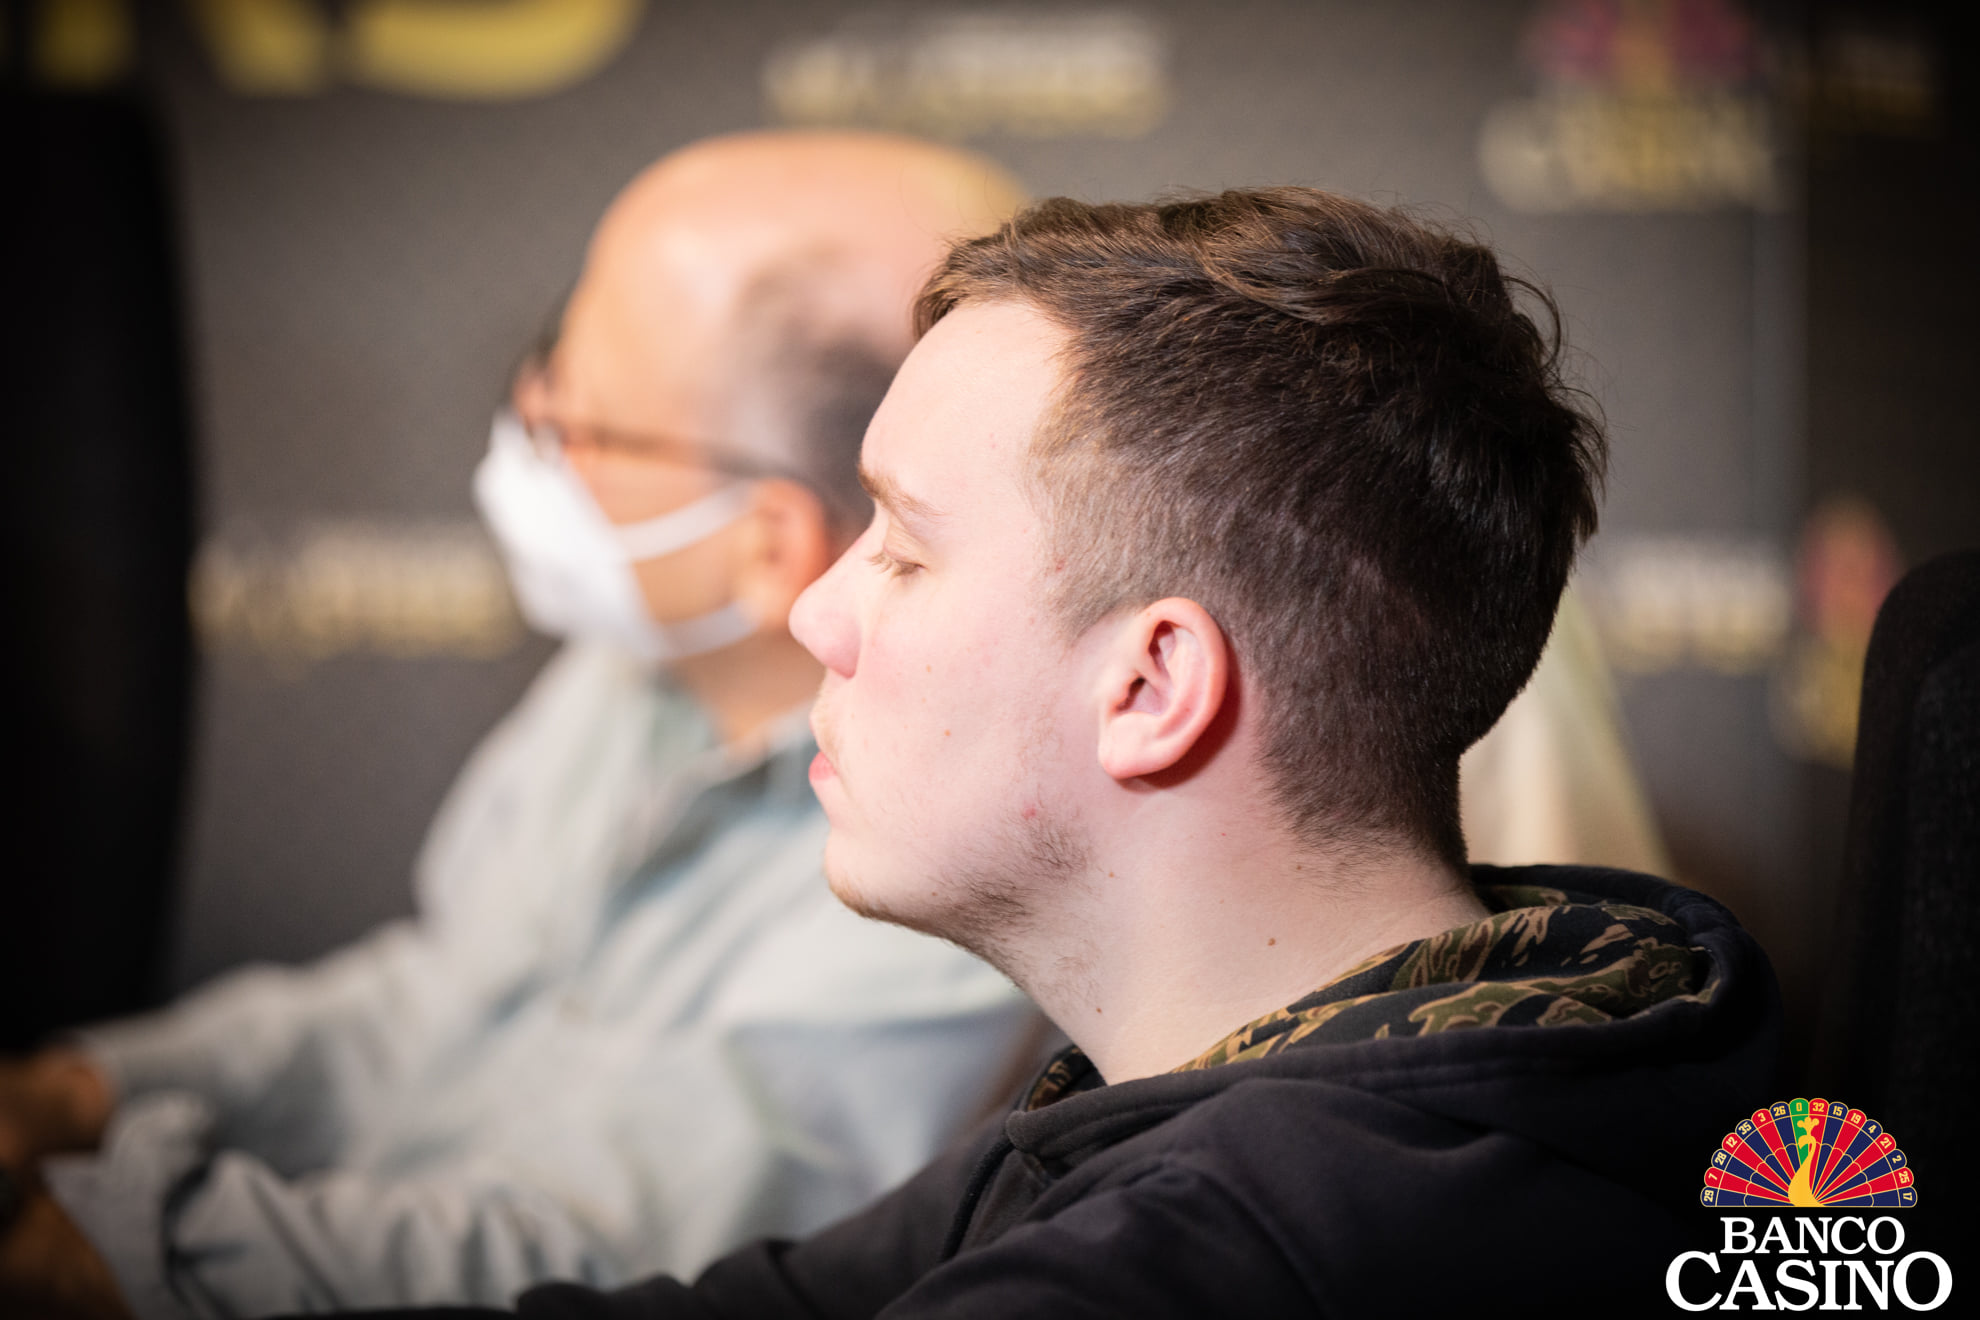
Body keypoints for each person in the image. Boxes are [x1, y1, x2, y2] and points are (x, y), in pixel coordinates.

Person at [369, 185, 1778, 1318]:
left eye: (903, 551)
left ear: (1151, 687)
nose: (815, 613)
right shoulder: (1494, 1033)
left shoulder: (1201, 1265)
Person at [0, 132, 1049, 1318]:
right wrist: (82, 1095)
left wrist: (89, 1261)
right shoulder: (637, 669)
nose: (531, 415)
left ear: (769, 548)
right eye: (545, 363)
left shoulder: (949, 875)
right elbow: (446, 1001)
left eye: (588, 427)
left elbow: (586, 1258)